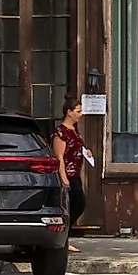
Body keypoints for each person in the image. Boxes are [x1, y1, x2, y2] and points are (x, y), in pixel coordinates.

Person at [54, 95, 91, 252]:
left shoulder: (75, 131)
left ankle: (65, 238)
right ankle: (63, 237)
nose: (80, 114)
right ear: (69, 112)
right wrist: (64, 178)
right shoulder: (61, 132)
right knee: (77, 204)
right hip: (67, 174)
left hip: (76, 173)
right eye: (78, 111)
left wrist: (86, 152)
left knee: (76, 205)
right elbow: (59, 157)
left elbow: (76, 149)